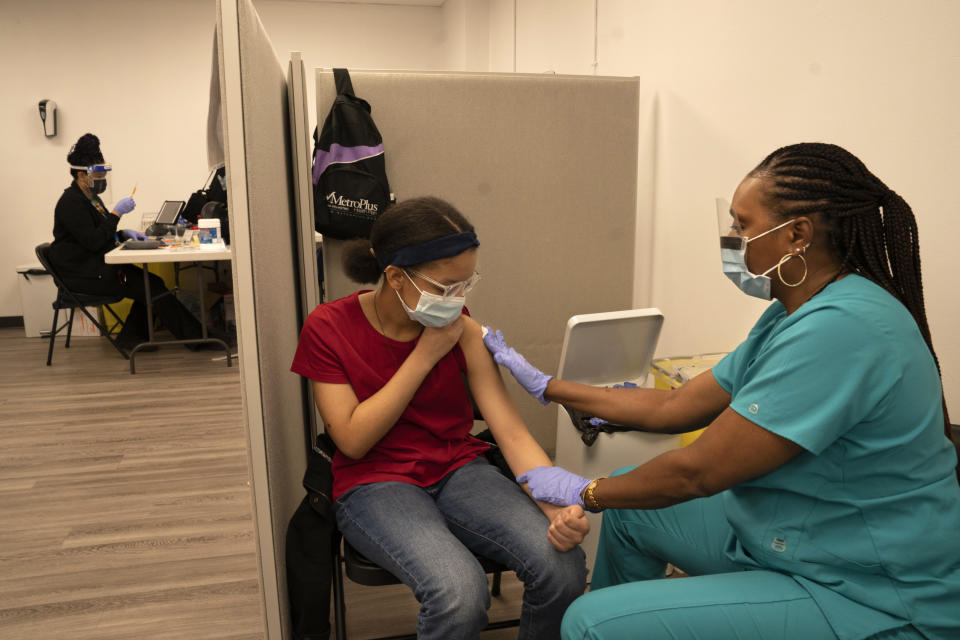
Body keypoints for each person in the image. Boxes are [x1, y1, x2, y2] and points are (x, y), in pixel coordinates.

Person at [483, 143, 960, 640]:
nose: (732, 239)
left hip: (868, 591)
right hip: (799, 535)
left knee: (588, 621)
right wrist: (550, 385)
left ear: (797, 234)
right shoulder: (793, 312)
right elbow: (677, 404)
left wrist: (585, 490)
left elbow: (697, 471)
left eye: (742, 224)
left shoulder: (844, 328)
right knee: (630, 516)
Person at [290, 196, 589, 640]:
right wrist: (424, 356)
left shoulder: (461, 326)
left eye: (467, 284)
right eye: (447, 287)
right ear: (395, 277)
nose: (459, 298)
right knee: (459, 592)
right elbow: (352, 440)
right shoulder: (328, 327)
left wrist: (555, 505)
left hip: (459, 469)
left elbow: (508, 430)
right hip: (374, 481)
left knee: (563, 566)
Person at [49, 133, 211, 350]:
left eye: (103, 172)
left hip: (95, 267)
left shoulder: (91, 199)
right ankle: (197, 340)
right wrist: (116, 213)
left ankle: (132, 338)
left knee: (151, 284)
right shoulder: (71, 203)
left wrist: (123, 233)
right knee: (150, 286)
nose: (101, 178)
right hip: (82, 274)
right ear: (81, 174)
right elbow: (94, 241)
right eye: (97, 173)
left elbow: (101, 232)